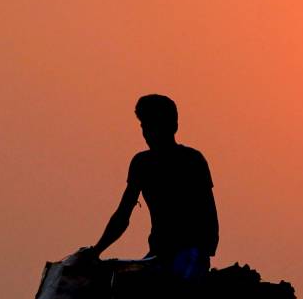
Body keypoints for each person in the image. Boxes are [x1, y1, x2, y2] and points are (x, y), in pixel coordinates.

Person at [85, 94, 219, 279]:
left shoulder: (192, 160)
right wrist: (96, 251)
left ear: (173, 126)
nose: (148, 133)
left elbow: (208, 213)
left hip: (191, 254)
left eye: (154, 126)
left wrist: (203, 253)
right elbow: (122, 215)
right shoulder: (141, 164)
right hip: (158, 255)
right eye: (145, 127)